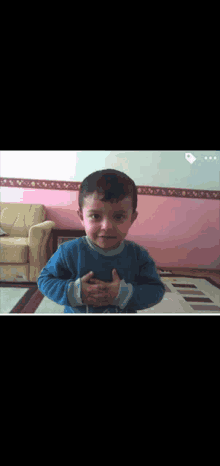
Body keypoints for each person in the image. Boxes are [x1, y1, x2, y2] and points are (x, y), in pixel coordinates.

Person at [37, 169, 166, 313]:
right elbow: (44, 280)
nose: (107, 226)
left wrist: (122, 294)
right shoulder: (68, 251)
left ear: (132, 218)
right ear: (81, 217)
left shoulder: (138, 255)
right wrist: (75, 292)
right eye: (95, 216)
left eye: (118, 217)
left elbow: (156, 290)